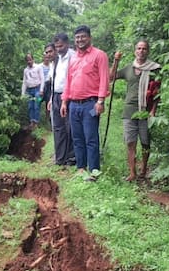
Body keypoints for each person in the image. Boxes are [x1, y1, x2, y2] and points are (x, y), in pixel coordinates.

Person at [60, 25, 110, 181]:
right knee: (77, 138)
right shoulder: (73, 58)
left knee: (91, 137)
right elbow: (68, 81)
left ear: (89, 37)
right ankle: (81, 168)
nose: (79, 40)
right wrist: (64, 101)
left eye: (82, 37)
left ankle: (94, 170)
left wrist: (101, 101)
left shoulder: (99, 55)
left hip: (91, 104)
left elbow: (104, 79)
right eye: (77, 38)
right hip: (73, 105)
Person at [111, 40, 162, 182]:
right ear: (135, 51)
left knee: (145, 142)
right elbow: (111, 77)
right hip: (129, 111)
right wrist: (116, 61)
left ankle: (144, 169)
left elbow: (158, 92)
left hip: (145, 111)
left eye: (144, 49)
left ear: (148, 51)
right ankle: (132, 172)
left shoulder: (154, 69)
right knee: (130, 142)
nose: (141, 51)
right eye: (139, 48)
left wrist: (153, 110)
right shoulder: (128, 68)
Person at [49, 33, 76, 166]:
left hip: (69, 96)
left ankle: (71, 158)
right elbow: (55, 78)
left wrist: (66, 99)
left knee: (69, 127)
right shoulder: (57, 58)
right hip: (56, 96)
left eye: (61, 46)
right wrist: (51, 98)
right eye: (56, 46)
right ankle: (60, 158)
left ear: (67, 43)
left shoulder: (73, 57)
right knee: (58, 127)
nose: (58, 49)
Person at [21, 53, 44, 128]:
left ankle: (36, 122)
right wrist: (23, 93)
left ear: (33, 59)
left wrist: (41, 90)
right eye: (27, 60)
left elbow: (42, 79)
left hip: (37, 89)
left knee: (36, 106)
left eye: (30, 59)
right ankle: (32, 122)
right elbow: (24, 82)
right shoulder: (25, 70)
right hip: (29, 90)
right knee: (30, 106)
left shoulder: (38, 67)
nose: (29, 61)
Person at [38, 43, 55, 125]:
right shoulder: (40, 66)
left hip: (49, 85)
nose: (47, 58)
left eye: (48, 57)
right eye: (45, 57)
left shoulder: (52, 65)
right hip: (41, 86)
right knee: (38, 101)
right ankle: (37, 120)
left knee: (48, 102)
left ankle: (48, 120)